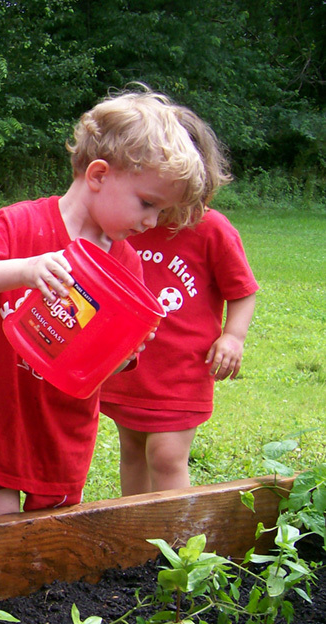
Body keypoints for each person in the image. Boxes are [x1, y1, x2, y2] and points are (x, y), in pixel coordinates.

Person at [0, 88, 207, 519]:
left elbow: (110, 364)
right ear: (99, 175)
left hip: (65, 430)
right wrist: (26, 270)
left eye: (160, 212)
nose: (151, 222)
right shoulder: (21, 222)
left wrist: (127, 349)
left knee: (51, 551)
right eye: (148, 204)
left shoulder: (125, 263)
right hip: (2, 418)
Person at [100, 107, 259, 495]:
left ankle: (178, 545)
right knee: (133, 450)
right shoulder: (125, 223)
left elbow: (243, 291)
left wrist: (233, 337)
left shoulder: (211, 230)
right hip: (129, 370)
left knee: (167, 456)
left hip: (182, 372)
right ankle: (140, 542)